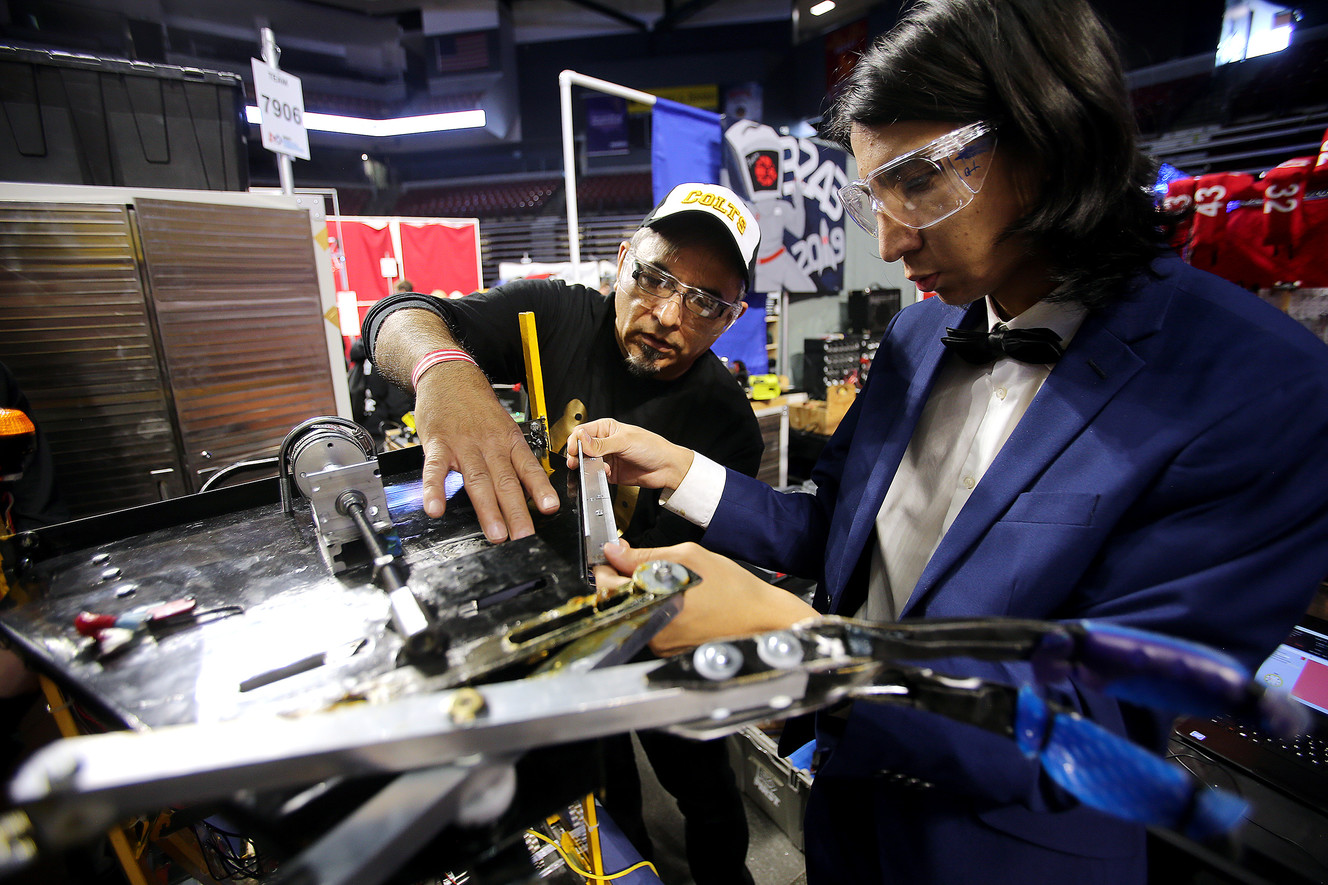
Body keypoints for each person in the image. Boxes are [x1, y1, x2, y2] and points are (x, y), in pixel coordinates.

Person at [566, 2, 1328, 882]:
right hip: (849, 815)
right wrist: (685, 472)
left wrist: (815, 649)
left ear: (1049, 135)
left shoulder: (1259, 386)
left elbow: (1100, 716)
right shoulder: (921, 339)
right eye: (874, 197)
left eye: (920, 183)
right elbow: (838, 530)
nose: (890, 242)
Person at [362, 183, 765, 884]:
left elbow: (701, 573)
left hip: (656, 626)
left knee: (705, 780)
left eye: (704, 302)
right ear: (620, 259)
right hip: (551, 623)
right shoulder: (555, 316)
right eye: (654, 277)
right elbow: (399, 315)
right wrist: (444, 371)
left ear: (730, 320)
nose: (668, 315)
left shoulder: (725, 421)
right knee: (600, 795)